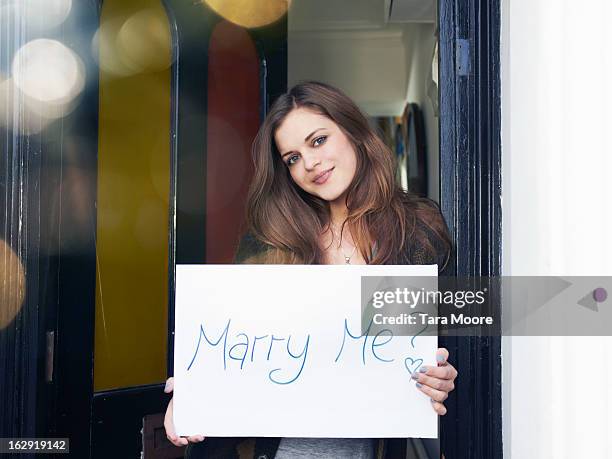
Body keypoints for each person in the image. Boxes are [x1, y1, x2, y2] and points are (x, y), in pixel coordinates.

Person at [164, 81, 458, 458]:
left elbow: (438, 344)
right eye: (292, 158)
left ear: (353, 131)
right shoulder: (271, 241)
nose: (309, 164)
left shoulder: (415, 231)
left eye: (318, 141)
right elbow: (233, 347)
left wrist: (441, 377)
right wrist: (197, 389)